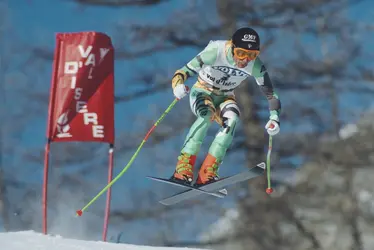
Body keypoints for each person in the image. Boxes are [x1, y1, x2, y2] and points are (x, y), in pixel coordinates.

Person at [170, 27, 281, 186]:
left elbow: (271, 94)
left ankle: (207, 172)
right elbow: (183, 71)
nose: (245, 60)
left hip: (226, 95)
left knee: (232, 120)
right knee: (206, 115)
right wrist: (178, 86)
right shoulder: (216, 52)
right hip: (203, 90)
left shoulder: (255, 65)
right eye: (241, 53)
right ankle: (183, 167)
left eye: (252, 55)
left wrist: (274, 118)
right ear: (232, 46)